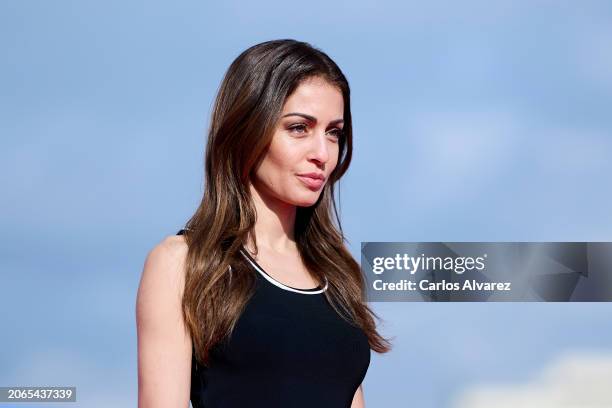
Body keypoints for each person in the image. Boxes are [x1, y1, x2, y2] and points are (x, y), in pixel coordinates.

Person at [136, 39, 392, 408]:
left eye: (333, 133)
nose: (322, 154)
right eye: (299, 128)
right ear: (247, 130)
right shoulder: (183, 264)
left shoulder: (338, 275)